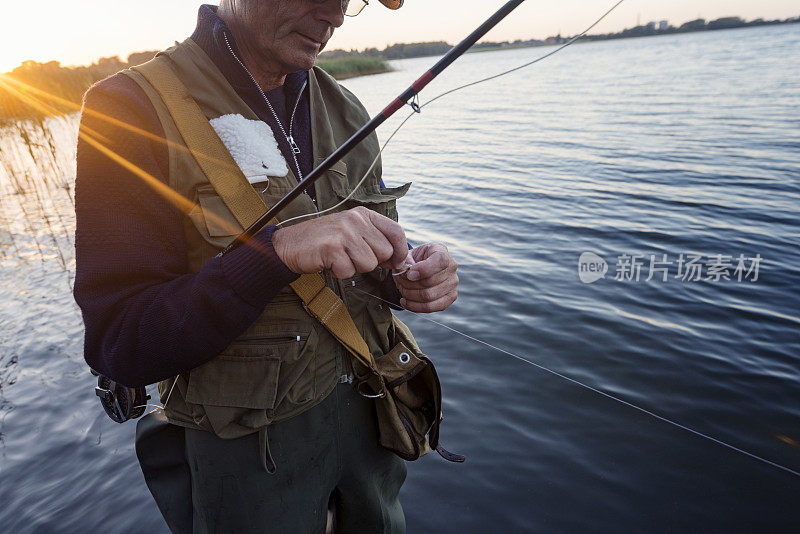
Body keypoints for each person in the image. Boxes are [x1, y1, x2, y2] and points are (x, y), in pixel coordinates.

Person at [73, 1, 459, 532]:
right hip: (246, 464)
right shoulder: (129, 107)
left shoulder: (346, 107)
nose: (336, 16)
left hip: (373, 440)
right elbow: (122, 341)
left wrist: (406, 277)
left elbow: (369, 268)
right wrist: (274, 253)